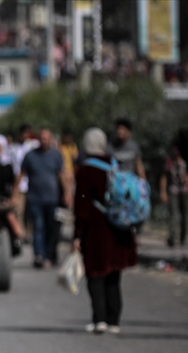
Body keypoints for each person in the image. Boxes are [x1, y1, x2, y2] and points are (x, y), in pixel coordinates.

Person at [73, 128, 138, 333]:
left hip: (96, 231)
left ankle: (99, 319)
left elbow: (81, 205)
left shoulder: (85, 170)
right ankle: (114, 320)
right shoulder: (114, 164)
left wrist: (77, 234)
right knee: (113, 275)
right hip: (118, 228)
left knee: (95, 274)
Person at [13, 128, 70, 268]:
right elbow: (21, 174)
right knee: (38, 227)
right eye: (42, 138)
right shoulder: (30, 155)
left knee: (51, 228)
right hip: (35, 198)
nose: (44, 140)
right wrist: (14, 194)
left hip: (52, 198)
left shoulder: (56, 155)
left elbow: (62, 175)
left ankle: (49, 255)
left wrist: (68, 193)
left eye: (47, 138)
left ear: (51, 139)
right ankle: (39, 255)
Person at [158, 142, 188, 247]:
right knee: (174, 214)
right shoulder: (170, 161)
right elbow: (164, 176)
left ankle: (184, 238)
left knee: (186, 214)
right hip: (173, 190)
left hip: (186, 190)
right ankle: (172, 237)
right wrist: (163, 192)